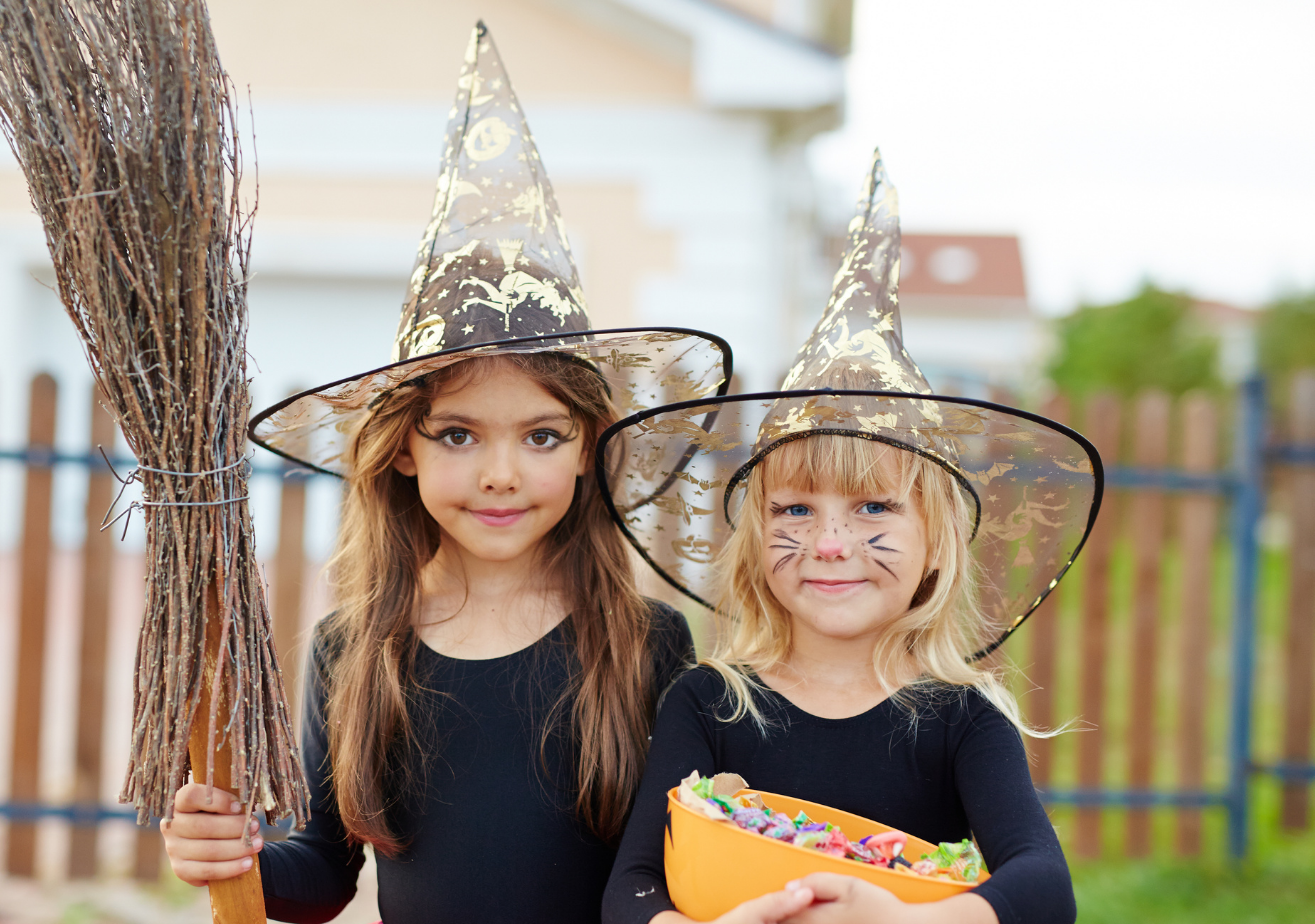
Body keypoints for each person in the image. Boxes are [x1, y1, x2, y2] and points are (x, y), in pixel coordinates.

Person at [162, 22, 733, 924]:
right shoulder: (356, 648)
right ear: (403, 449)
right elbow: (322, 872)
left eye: (542, 437)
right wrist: (232, 862)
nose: (501, 474)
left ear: (590, 447)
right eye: (460, 435)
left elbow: (668, 874)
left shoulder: (647, 643)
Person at [596, 153, 1100, 924]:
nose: (831, 544)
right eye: (795, 511)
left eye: (873, 509)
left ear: (935, 541)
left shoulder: (962, 718)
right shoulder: (710, 704)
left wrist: (903, 920)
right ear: (755, 538)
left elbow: (1043, 890)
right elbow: (631, 889)